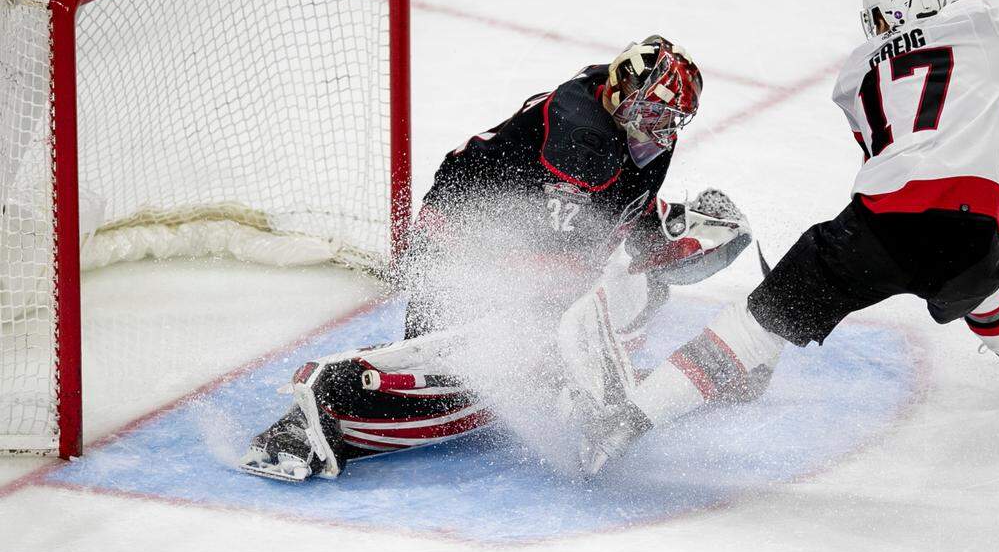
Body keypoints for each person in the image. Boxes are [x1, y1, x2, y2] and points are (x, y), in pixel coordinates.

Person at [580, 0, 999, 476]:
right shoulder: (978, 23)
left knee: (757, 324)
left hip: (879, 226)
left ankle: (629, 419)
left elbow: (890, 146)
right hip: (970, 227)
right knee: (985, 285)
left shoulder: (856, 72)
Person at [240, 36, 756, 482]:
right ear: (621, 95)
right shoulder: (583, 139)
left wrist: (675, 237)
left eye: (671, 119)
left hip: (529, 238)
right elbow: (566, 254)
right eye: (651, 113)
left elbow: (619, 212)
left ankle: (652, 368)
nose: (660, 129)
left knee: (593, 315)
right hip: (458, 244)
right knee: (478, 357)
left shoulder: (633, 131)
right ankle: (311, 419)